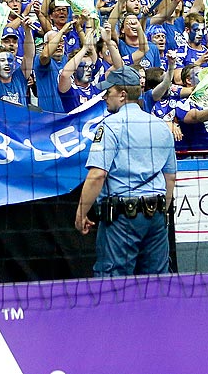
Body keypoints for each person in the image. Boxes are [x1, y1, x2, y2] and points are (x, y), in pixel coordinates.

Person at [74, 66, 177, 277]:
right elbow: (170, 177)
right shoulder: (160, 126)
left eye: (108, 92)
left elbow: (97, 175)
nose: (104, 97)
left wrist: (81, 214)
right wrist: (161, 211)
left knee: (113, 283)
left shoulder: (110, 126)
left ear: (122, 95)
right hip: (156, 215)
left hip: (123, 218)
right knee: (156, 282)